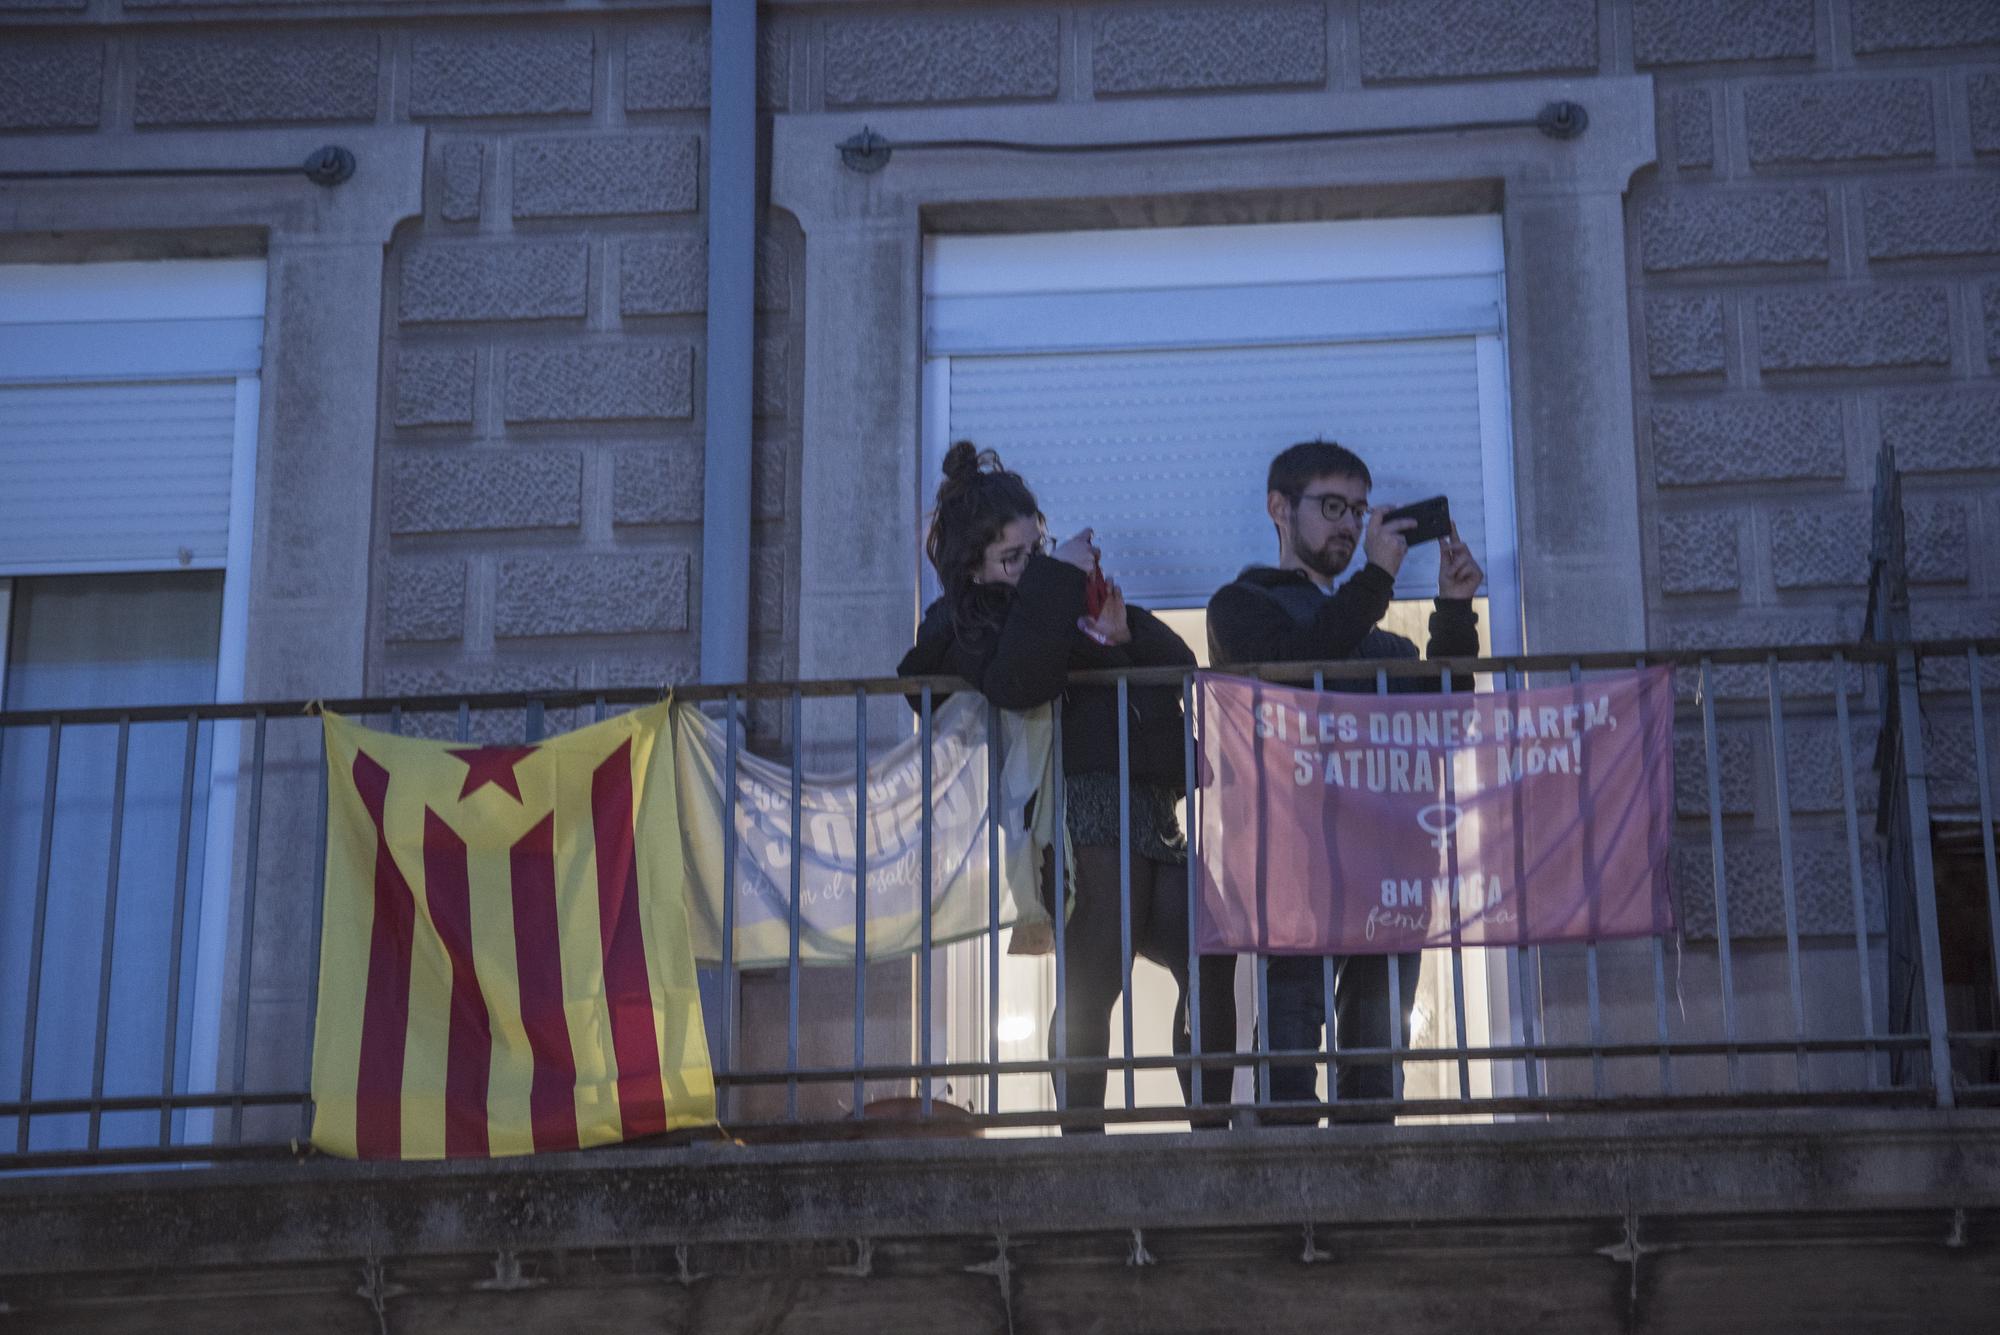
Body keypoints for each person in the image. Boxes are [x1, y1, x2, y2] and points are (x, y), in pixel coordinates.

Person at [899, 441, 1237, 1125]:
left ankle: (1212, 1130)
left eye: (1038, 547)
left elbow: (1175, 659)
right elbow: (1018, 677)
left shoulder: (1057, 596)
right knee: (1094, 981)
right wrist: (1053, 582)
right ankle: (1080, 1140)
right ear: (974, 567)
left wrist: (1121, 632)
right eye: (1013, 557)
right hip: (1074, 809)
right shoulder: (966, 622)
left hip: (1146, 802)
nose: (1031, 566)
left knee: (1210, 947)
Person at [1205, 439, 1484, 1118]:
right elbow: (1296, 665)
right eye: (1332, 507)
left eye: (1359, 511)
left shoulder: (1385, 643)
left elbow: (1445, 719)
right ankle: (1290, 1189)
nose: (1350, 525)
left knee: (1377, 1054)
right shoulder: (1241, 607)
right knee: (1290, 1051)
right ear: (1279, 508)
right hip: (1297, 856)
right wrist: (1377, 580)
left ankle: (1373, 1179)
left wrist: (1452, 610)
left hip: (1389, 858)